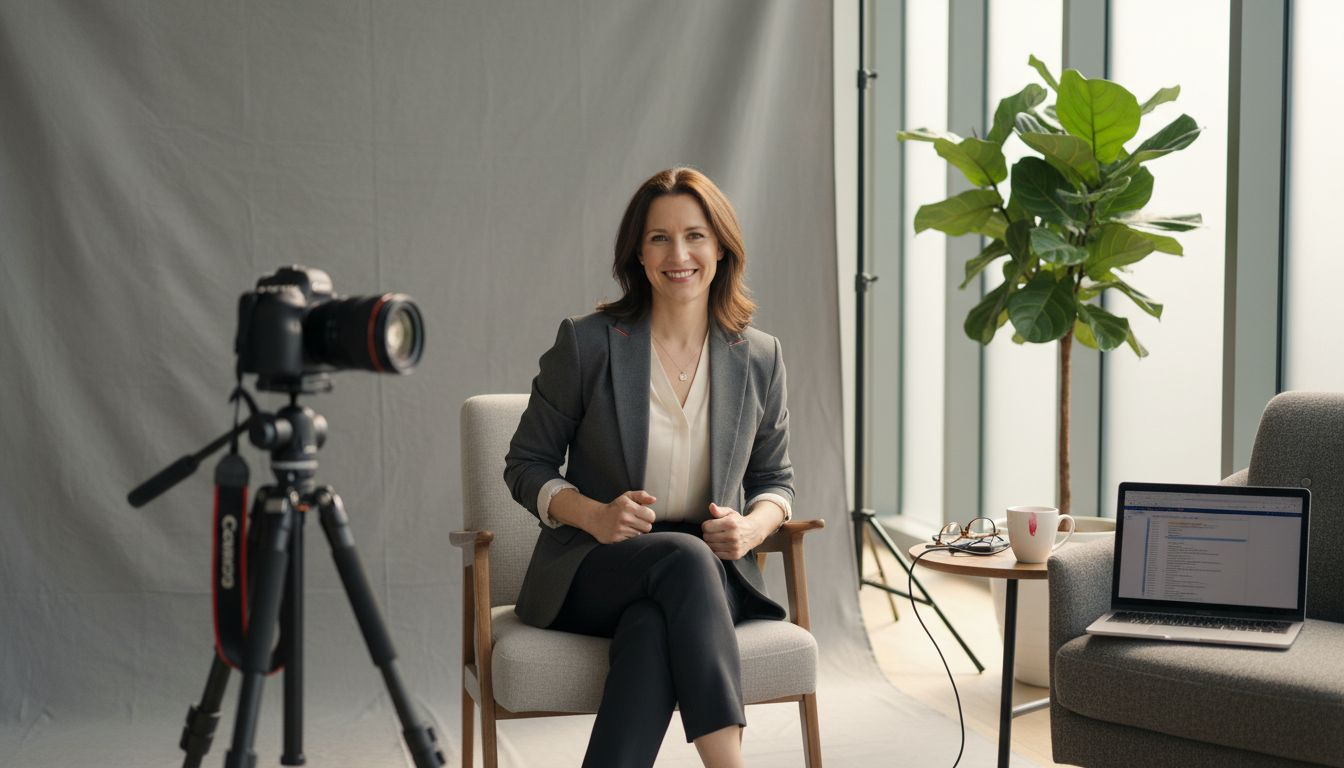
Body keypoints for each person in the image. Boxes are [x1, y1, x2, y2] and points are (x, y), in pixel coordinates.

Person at [503, 167, 795, 768]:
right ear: (638, 253)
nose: (678, 253)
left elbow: (775, 481)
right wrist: (593, 513)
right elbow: (525, 463)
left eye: (695, 235)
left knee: (651, 627)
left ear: (721, 247)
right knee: (683, 559)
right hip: (595, 564)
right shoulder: (588, 344)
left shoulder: (759, 356)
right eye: (659, 237)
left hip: (710, 577)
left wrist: (753, 528)